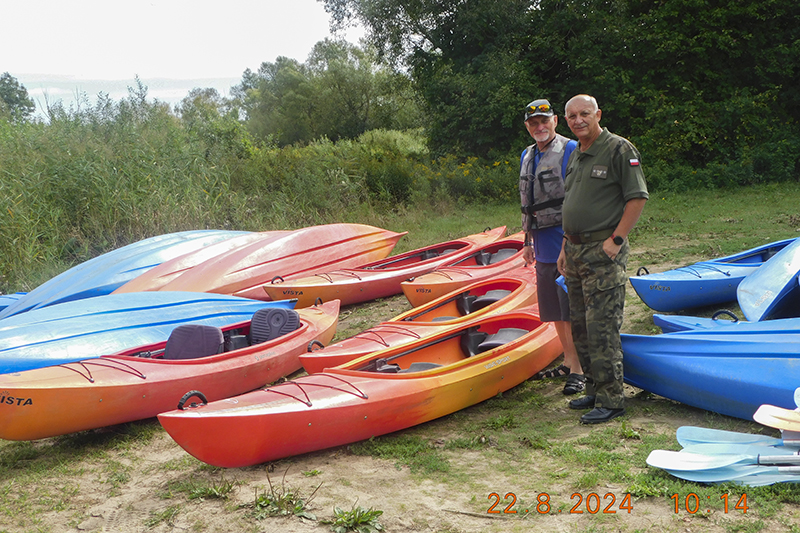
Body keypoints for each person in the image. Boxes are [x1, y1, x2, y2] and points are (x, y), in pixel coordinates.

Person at [557, 94, 648, 424]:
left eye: (584, 114)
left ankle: (612, 398)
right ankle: (594, 388)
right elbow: (573, 204)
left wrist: (617, 240)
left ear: (598, 114)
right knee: (580, 324)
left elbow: (637, 198)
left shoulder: (619, 149)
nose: (578, 120)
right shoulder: (576, 154)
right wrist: (564, 248)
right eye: (571, 116)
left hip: (602, 251)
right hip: (575, 250)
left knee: (602, 327)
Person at [518, 98, 584, 395]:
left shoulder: (570, 149)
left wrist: (566, 244)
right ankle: (568, 361)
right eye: (534, 123)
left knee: (570, 306)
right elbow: (528, 202)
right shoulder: (527, 155)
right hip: (541, 241)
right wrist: (527, 241)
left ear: (555, 121)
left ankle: (580, 369)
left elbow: (577, 199)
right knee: (553, 308)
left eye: (544, 121)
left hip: (565, 238)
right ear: (528, 127)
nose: (540, 127)